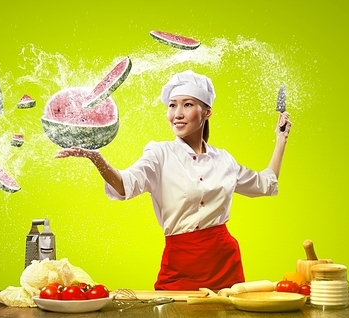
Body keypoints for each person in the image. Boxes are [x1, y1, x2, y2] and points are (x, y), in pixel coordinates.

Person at [54, 70, 292, 291]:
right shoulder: (159, 154)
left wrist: (280, 139)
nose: (177, 114)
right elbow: (125, 184)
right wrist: (97, 158)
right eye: (172, 105)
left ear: (207, 112)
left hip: (225, 264)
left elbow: (265, 184)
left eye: (187, 105)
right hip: (179, 266)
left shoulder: (225, 160)